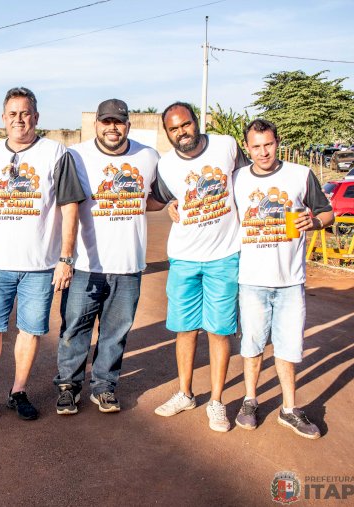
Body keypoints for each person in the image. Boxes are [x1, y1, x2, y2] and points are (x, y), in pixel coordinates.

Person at [0, 87, 85, 424]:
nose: (19, 119)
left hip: (40, 265)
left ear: (36, 116)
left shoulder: (55, 152)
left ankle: (18, 391)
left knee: (30, 332)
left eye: (25, 113)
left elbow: (69, 206)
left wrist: (66, 258)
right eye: (13, 114)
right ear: (3, 119)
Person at [54, 99, 161, 414]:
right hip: (86, 265)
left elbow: (158, 197)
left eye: (119, 122)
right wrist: (66, 258)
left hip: (128, 265)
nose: (112, 128)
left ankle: (104, 387)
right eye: (106, 122)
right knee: (75, 330)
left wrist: (170, 205)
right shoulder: (76, 156)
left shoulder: (148, 156)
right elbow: (67, 206)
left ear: (127, 125)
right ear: (96, 124)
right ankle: (67, 387)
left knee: (116, 332)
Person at [150, 102, 249, 432]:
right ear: (168, 133)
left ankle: (217, 402)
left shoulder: (226, 146)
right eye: (174, 129)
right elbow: (159, 197)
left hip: (224, 256)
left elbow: (250, 182)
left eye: (186, 124)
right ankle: (185, 393)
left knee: (219, 330)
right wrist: (168, 206)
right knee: (185, 329)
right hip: (183, 257)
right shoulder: (165, 165)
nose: (182, 132)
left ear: (197, 122)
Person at [232, 119, 332, 439]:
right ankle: (250, 401)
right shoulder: (236, 179)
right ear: (247, 147)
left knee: (288, 348)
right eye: (256, 146)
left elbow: (327, 213)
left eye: (268, 144)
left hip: (290, 281)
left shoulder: (300, 175)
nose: (263, 152)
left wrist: (314, 221)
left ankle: (289, 409)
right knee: (253, 344)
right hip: (251, 278)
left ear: (278, 143)